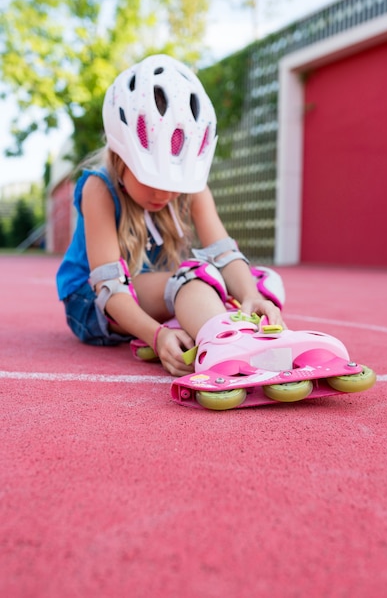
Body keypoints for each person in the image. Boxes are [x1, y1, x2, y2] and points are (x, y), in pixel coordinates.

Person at [57, 54, 285, 377]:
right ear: (121, 157)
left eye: (174, 184)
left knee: (263, 283)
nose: (164, 195)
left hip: (148, 289)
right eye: (152, 180)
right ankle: (228, 348)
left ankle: (211, 325)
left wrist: (250, 296)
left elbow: (224, 251)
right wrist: (157, 335)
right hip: (96, 304)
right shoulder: (98, 189)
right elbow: (108, 288)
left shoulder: (192, 187)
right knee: (191, 278)